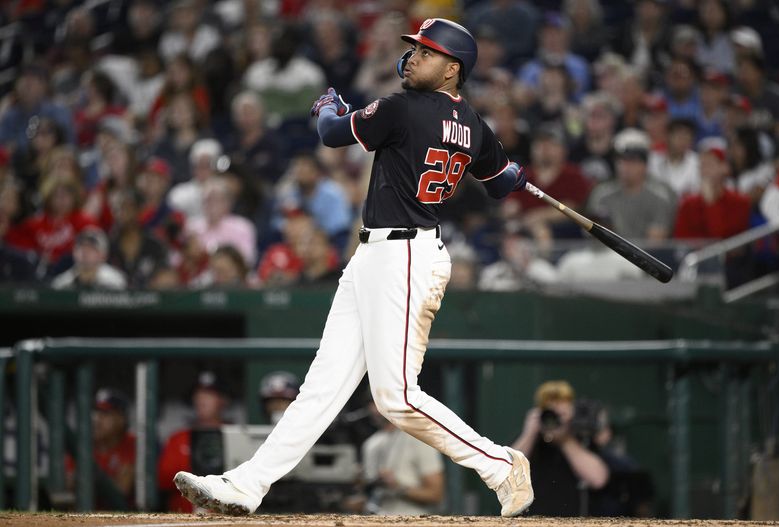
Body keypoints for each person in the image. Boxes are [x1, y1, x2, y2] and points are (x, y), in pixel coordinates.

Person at [173, 18, 534, 518]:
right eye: (413, 50)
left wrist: (327, 108)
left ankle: (501, 464)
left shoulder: (403, 107)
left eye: (426, 53)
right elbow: (497, 183)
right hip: (378, 255)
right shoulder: (473, 123)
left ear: (452, 68)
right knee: (322, 387)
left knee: (398, 398)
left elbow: (331, 134)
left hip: (405, 257)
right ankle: (247, 485)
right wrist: (512, 173)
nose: (412, 58)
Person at [511, 381, 609, 517]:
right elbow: (507, 471)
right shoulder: (532, 441)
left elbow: (598, 479)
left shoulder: (580, 440)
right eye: (551, 413)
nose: (554, 420)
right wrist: (530, 432)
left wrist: (565, 440)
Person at [359, 395, 445, 515]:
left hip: (414, 520)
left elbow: (435, 494)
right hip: (377, 518)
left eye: (379, 401)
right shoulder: (370, 444)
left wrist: (397, 486)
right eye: (372, 402)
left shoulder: (419, 438)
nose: (374, 408)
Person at [159, 371, 231, 512]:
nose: (201, 399)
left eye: (209, 394)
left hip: (226, 518)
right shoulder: (178, 438)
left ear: (223, 400)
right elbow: (163, 480)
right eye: (198, 394)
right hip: (182, 518)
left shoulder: (234, 434)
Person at [51, 226, 127, 290]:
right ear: (74, 252)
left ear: (103, 255)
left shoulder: (115, 281)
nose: (85, 252)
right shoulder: (62, 284)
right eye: (81, 247)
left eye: (91, 248)